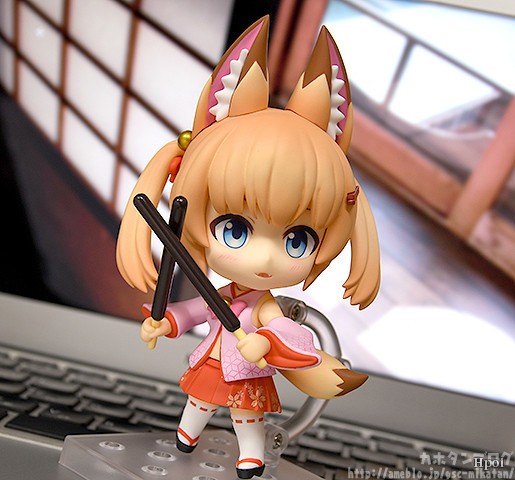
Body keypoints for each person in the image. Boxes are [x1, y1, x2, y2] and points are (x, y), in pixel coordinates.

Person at [116, 16, 380, 479]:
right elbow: (195, 311)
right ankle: (187, 435)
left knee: (246, 417)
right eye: (235, 230)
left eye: (296, 240)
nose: (264, 258)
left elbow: (289, 335)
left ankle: (251, 456)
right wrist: (166, 322)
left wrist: (267, 340)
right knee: (198, 401)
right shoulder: (223, 294)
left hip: (247, 370)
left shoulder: (263, 306)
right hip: (216, 363)